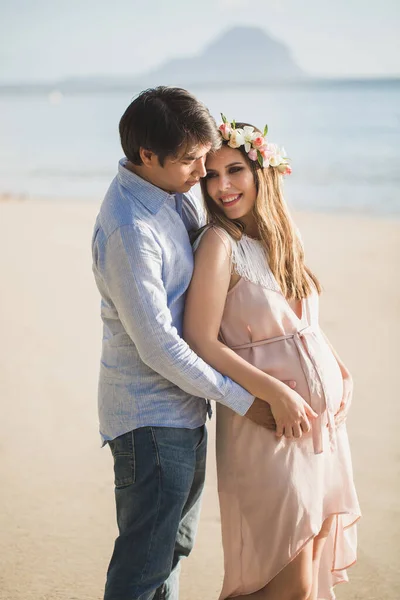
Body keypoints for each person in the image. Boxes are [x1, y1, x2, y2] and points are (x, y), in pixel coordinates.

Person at [91, 88, 312, 600]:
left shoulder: (167, 194)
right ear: (148, 155)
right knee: (146, 562)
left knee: (171, 550)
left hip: (182, 412)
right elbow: (160, 347)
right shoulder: (131, 228)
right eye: (193, 161)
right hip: (150, 419)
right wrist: (244, 399)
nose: (202, 173)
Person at [183, 117, 361, 600]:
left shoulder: (283, 239)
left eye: (234, 170)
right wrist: (277, 392)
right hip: (267, 428)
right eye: (211, 176)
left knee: (314, 561)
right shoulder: (220, 245)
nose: (222, 187)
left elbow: (302, 327)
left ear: (262, 171)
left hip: (320, 429)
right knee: (289, 583)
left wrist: (338, 372)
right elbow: (202, 340)